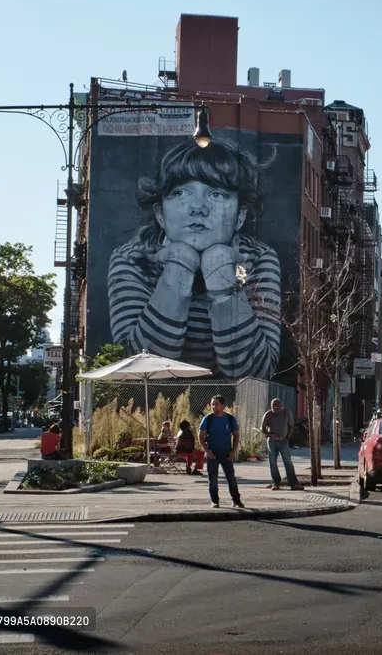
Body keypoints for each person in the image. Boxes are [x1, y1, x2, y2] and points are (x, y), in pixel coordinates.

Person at [106, 140, 283, 381]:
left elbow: (255, 373)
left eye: (216, 193)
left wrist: (220, 275)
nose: (198, 207)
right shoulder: (132, 259)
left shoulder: (259, 258)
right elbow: (139, 369)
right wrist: (179, 268)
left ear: (240, 216)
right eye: (180, 193)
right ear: (160, 214)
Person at [199, 395, 244, 508]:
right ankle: (214, 501)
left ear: (223, 406)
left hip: (226, 453)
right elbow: (200, 436)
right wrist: (207, 451)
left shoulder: (230, 419)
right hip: (212, 453)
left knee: (231, 478)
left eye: (217, 404)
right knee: (213, 479)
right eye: (212, 404)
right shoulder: (208, 419)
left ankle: (236, 500)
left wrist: (233, 451)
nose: (214, 406)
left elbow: (236, 435)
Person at [261, 398, 302, 491]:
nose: (276, 409)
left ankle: (294, 483)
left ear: (281, 406)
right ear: (271, 407)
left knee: (288, 462)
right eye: (274, 407)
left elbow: (291, 425)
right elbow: (262, 428)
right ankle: (275, 482)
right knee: (273, 462)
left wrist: (288, 437)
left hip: (284, 441)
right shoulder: (268, 414)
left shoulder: (286, 413)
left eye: (278, 407)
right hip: (272, 442)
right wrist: (270, 435)